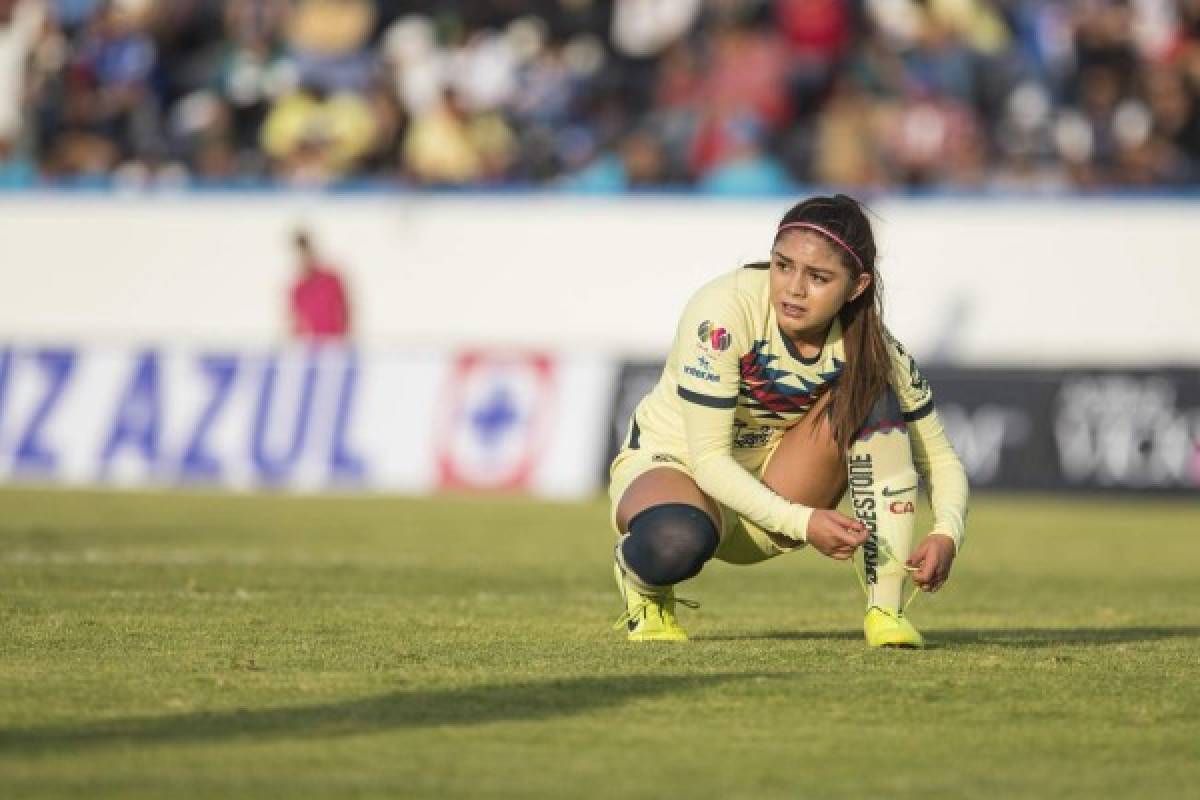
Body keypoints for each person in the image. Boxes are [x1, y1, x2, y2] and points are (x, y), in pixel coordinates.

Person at [608, 194, 968, 647]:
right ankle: (644, 586)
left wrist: (945, 533)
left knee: (870, 393)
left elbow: (940, 457)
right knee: (676, 540)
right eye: (783, 265)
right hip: (680, 471)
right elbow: (710, 463)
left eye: (818, 277)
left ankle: (886, 609)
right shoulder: (722, 312)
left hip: (774, 501)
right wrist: (805, 523)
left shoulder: (876, 350)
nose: (793, 288)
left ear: (856, 287)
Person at [288, 229, 352, 340]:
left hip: (336, 341)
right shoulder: (298, 289)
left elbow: (345, 310)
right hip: (313, 345)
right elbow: (296, 321)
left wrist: (344, 335)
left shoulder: (331, 279)